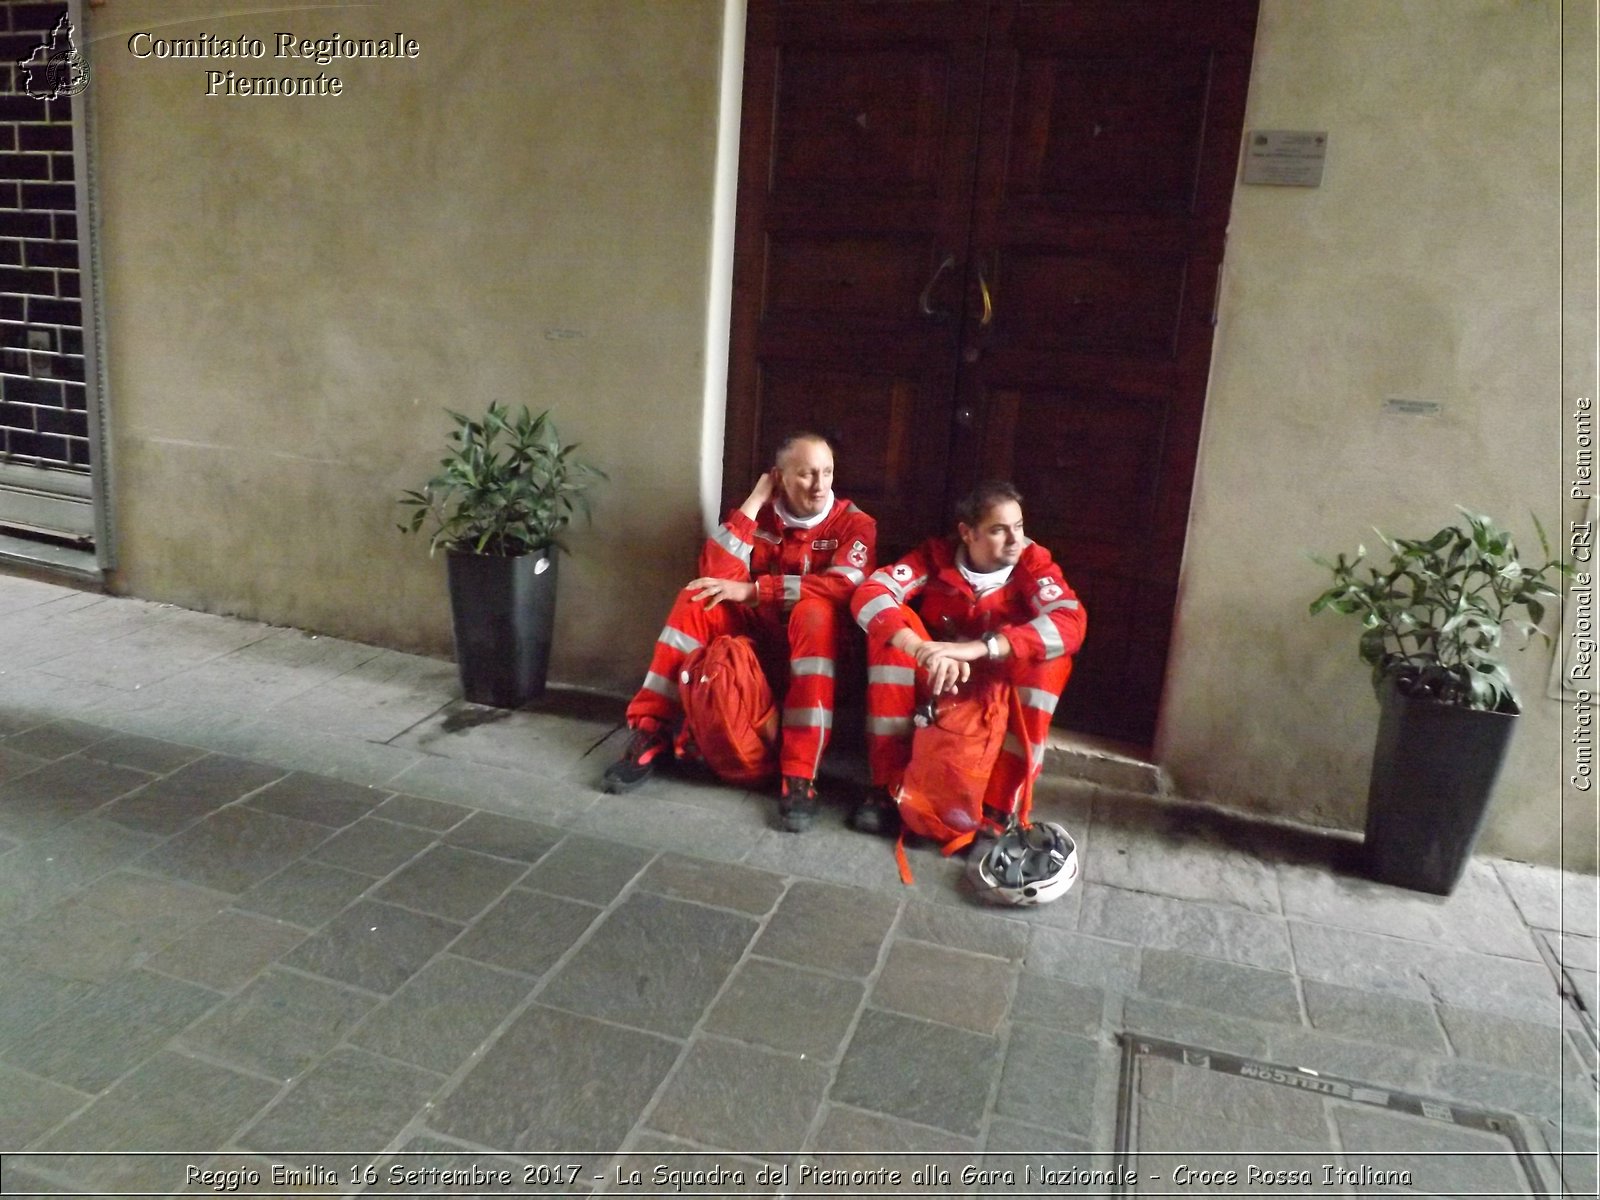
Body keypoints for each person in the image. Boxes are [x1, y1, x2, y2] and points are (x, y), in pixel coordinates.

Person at [602, 431, 876, 831]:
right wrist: (755, 501)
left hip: (822, 657)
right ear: (779, 477)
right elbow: (714, 576)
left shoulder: (855, 524)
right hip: (760, 653)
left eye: (827, 472)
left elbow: (845, 587)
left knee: (814, 612)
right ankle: (651, 732)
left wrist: (755, 590)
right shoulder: (758, 516)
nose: (819, 485)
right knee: (697, 599)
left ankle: (800, 773)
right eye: (805, 474)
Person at [848, 481, 1086, 836]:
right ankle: (888, 787)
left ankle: (999, 808)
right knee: (890, 638)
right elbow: (870, 593)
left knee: (1050, 661)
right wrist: (919, 649)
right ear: (967, 533)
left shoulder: (1032, 562)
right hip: (940, 675)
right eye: (998, 530)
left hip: (999, 688)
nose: (1014, 540)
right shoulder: (936, 556)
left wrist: (980, 648)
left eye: (1018, 527)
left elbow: (1071, 621)